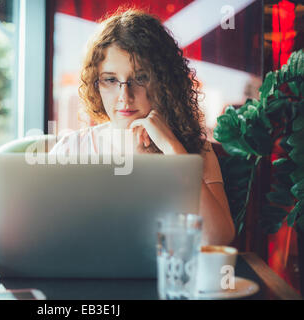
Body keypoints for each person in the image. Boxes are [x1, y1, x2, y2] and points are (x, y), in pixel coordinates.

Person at [49, 9, 235, 246]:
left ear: (164, 82)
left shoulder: (194, 151)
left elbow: (217, 238)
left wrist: (172, 149)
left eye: (140, 78)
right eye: (111, 80)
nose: (124, 96)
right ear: (96, 84)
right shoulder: (69, 150)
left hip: (163, 281)